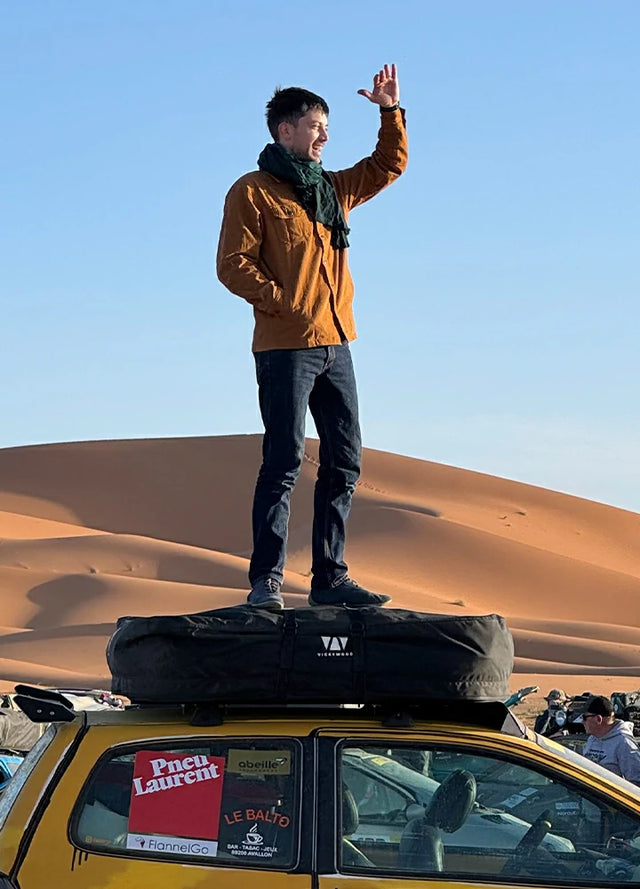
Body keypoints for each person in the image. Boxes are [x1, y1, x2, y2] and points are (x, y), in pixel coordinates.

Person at [217, 64, 408, 611]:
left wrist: (389, 112)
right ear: (285, 130)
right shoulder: (253, 192)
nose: (324, 134)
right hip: (285, 347)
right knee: (283, 461)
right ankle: (267, 581)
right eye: (315, 124)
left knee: (345, 461)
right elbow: (232, 265)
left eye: (326, 125)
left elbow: (387, 165)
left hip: (336, 344)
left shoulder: (333, 190)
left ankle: (331, 577)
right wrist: (288, 304)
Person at [581, 694, 640, 784]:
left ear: (598, 719)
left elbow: (636, 782)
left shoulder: (624, 743)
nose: (582, 722)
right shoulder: (592, 739)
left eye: (585, 718)